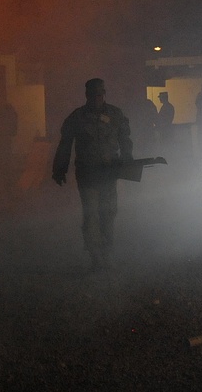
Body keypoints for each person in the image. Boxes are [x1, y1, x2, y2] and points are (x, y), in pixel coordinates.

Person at [52, 78, 133, 271]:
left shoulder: (115, 114)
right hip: (88, 175)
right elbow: (65, 145)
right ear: (86, 95)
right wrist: (59, 168)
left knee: (109, 213)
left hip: (108, 173)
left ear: (104, 94)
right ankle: (95, 256)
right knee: (91, 215)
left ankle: (106, 253)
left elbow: (125, 140)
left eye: (99, 94)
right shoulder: (77, 117)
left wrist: (128, 161)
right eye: (92, 94)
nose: (96, 98)